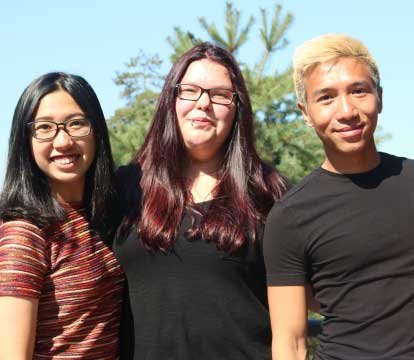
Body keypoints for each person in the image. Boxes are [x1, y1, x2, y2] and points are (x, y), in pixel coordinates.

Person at [114, 42, 288, 359]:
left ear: (237, 108)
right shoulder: (125, 187)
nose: (203, 104)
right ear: (172, 99)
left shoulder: (269, 192)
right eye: (191, 90)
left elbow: (312, 294)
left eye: (220, 94)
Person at [263, 33, 414, 359]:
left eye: (359, 91)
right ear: (305, 111)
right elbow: (290, 342)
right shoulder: (291, 216)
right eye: (326, 97)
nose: (346, 111)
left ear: (380, 97)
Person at [0, 72, 124, 358]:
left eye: (76, 123)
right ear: (25, 139)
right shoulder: (25, 233)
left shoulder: (104, 216)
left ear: (96, 131)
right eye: (45, 128)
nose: (63, 141)